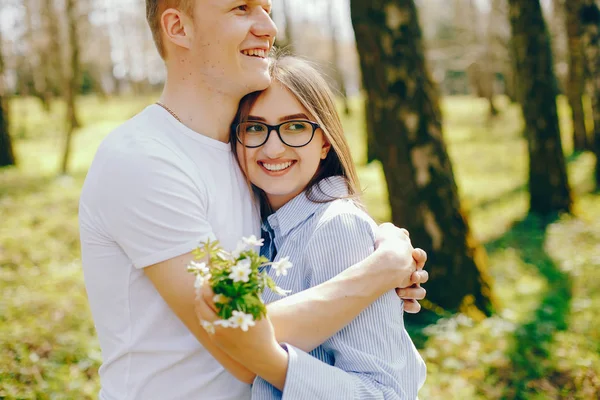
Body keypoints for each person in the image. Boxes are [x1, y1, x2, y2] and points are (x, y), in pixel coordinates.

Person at [79, 1, 428, 399]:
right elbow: (241, 349)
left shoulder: (246, 157)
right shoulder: (145, 160)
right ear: (179, 27)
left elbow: (311, 238)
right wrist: (382, 269)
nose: (268, 27)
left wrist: (379, 244)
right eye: (242, 8)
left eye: (266, 8)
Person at [195, 56, 426, 399]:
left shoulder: (337, 227)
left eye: (295, 126)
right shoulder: (260, 229)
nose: (273, 147)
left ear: (324, 142)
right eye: (255, 128)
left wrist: (278, 366)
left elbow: (386, 392)